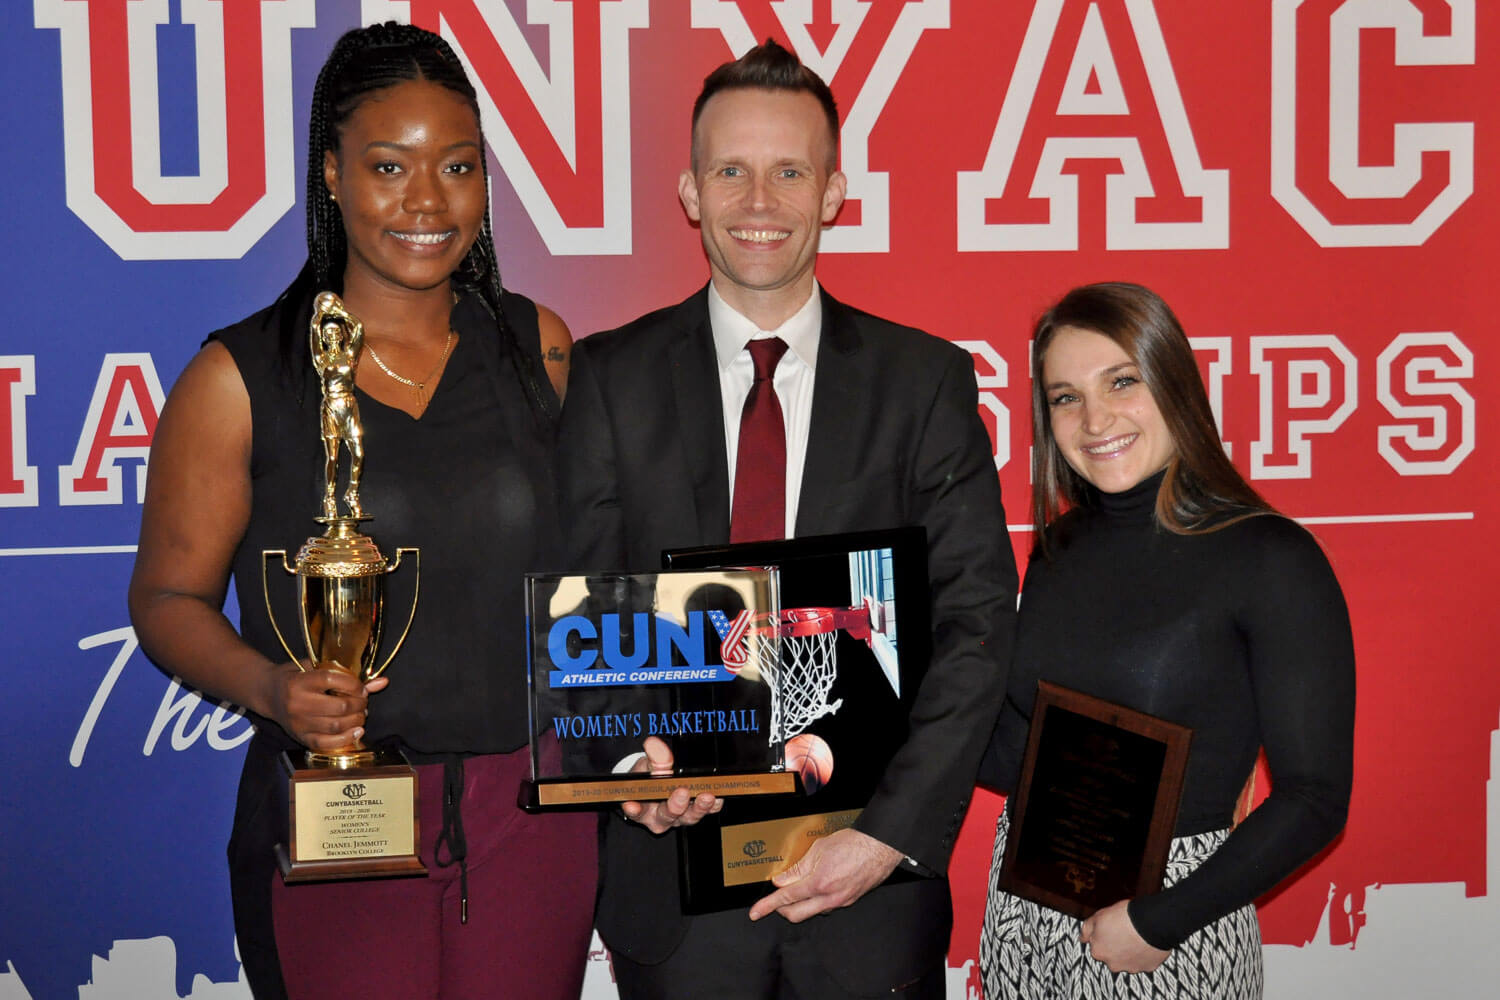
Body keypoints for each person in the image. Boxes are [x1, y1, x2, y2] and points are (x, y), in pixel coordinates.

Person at [127, 22, 594, 1000]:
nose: (428, 201)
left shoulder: (538, 346)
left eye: (458, 166)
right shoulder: (238, 377)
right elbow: (167, 595)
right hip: (338, 819)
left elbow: (594, 572)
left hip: (530, 821)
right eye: (390, 165)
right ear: (333, 173)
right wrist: (270, 688)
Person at [556, 39, 1018, 1000]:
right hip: (676, 894)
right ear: (689, 191)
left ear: (834, 191)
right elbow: (584, 607)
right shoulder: (609, 379)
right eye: (731, 170)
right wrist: (637, 767)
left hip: (868, 894)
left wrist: (887, 835)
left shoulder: (923, 384)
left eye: (788, 172)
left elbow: (977, 624)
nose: (758, 202)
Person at [978, 282, 1356, 999]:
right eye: (1065, 397)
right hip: (1024, 918)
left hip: (1172, 929)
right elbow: (1016, 755)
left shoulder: (1270, 557)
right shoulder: (1058, 547)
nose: (1095, 419)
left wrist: (1159, 921)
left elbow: (1314, 797)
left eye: (1122, 381)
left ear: (1174, 382)